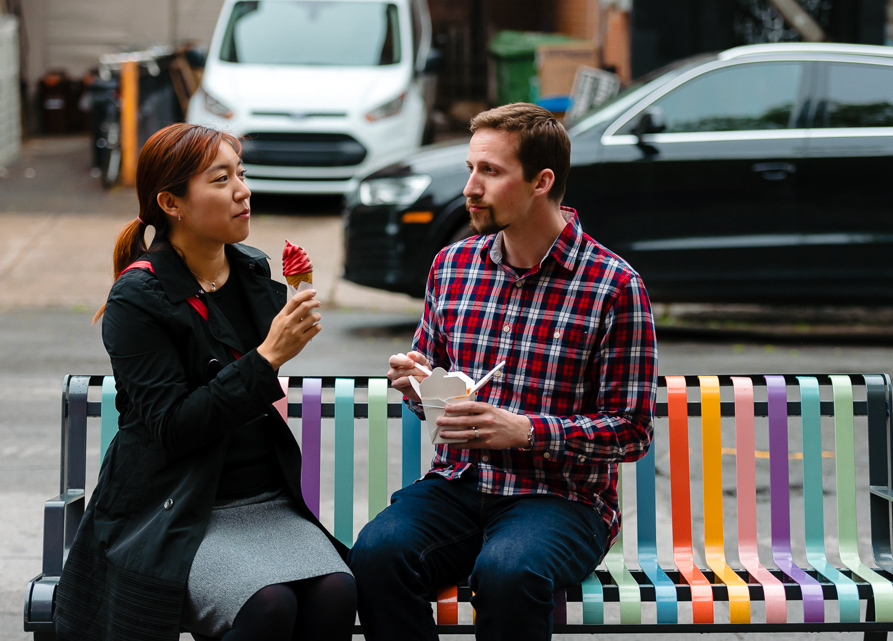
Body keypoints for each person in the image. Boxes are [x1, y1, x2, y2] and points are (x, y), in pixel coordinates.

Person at [349, 103, 658, 640]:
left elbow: (632, 430)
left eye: (489, 171)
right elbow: (433, 393)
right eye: (471, 168)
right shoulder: (453, 266)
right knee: (375, 555)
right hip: (458, 483)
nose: (470, 186)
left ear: (542, 181)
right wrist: (417, 383)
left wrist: (526, 431)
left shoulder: (614, 285)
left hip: (562, 499)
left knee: (508, 572)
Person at [54, 123, 356, 641]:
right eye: (220, 179)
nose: (243, 191)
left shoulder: (254, 275)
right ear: (171, 203)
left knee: (337, 592)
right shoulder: (138, 298)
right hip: (179, 507)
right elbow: (174, 426)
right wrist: (266, 359)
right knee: (269, 604)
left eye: (241, 173)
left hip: (265, 499)